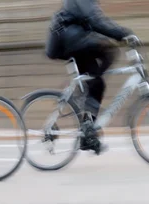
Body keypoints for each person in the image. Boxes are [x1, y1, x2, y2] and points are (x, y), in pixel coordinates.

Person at [45, 0, 135, 155]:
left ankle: (88, 135)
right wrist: (123, 33)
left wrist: (120, 32)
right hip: (68, 38)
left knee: (98, 83)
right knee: (108, 51)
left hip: (74, 39)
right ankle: (86, 96)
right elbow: (96, 21)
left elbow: (95, 21)